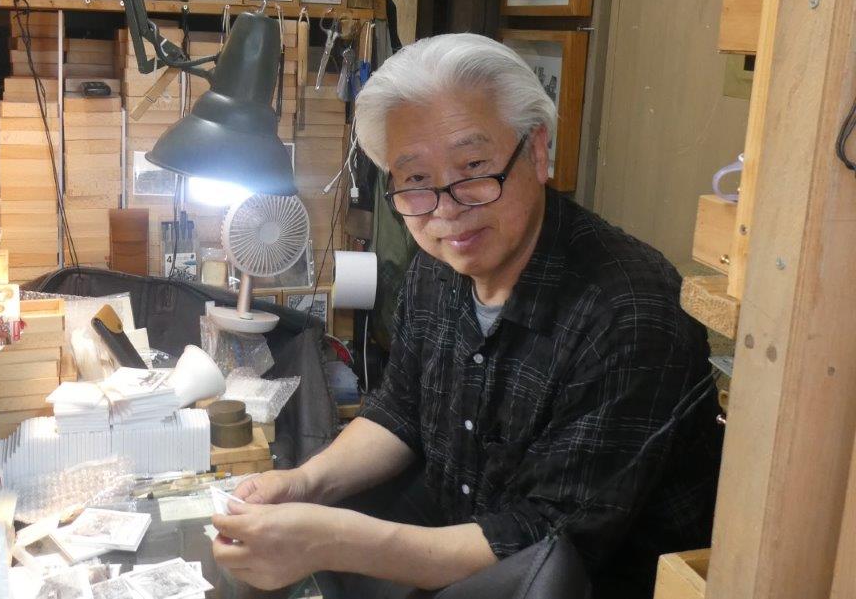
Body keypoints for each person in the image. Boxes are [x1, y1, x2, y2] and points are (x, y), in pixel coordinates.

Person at [211, 33, 722, 599]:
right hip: (463, 558)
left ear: (537, 151)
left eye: (474, 167)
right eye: (416, 181)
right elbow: (399, 411)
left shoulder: (631, 314)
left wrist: (330, 540)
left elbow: (545, 541)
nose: (447, 211)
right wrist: (304, 484)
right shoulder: (440, 264)